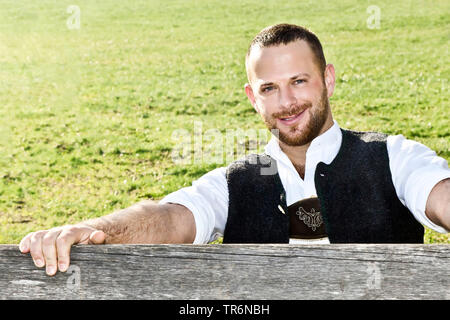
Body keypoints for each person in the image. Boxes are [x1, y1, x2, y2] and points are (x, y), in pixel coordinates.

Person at [19, 24, 450, 276]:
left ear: (328, 80)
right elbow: (172, 216)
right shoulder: (236, 181)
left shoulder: (392, 157)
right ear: (252, 97)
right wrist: (94, 229)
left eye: (299, 81)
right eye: (269, 88)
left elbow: (436, 193)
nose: (287, 102)